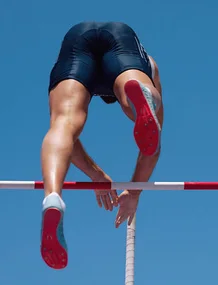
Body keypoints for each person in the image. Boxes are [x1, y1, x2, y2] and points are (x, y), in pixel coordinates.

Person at [39, 21, 164, 270]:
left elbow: (70, 145)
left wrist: (95, 174)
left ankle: (52, 197)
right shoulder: (149, 62)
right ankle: (137, 94)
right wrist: (134, 191)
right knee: (134, 90)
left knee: (63, 124)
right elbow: (154, 144)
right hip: (120, 37)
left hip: (76, 38)